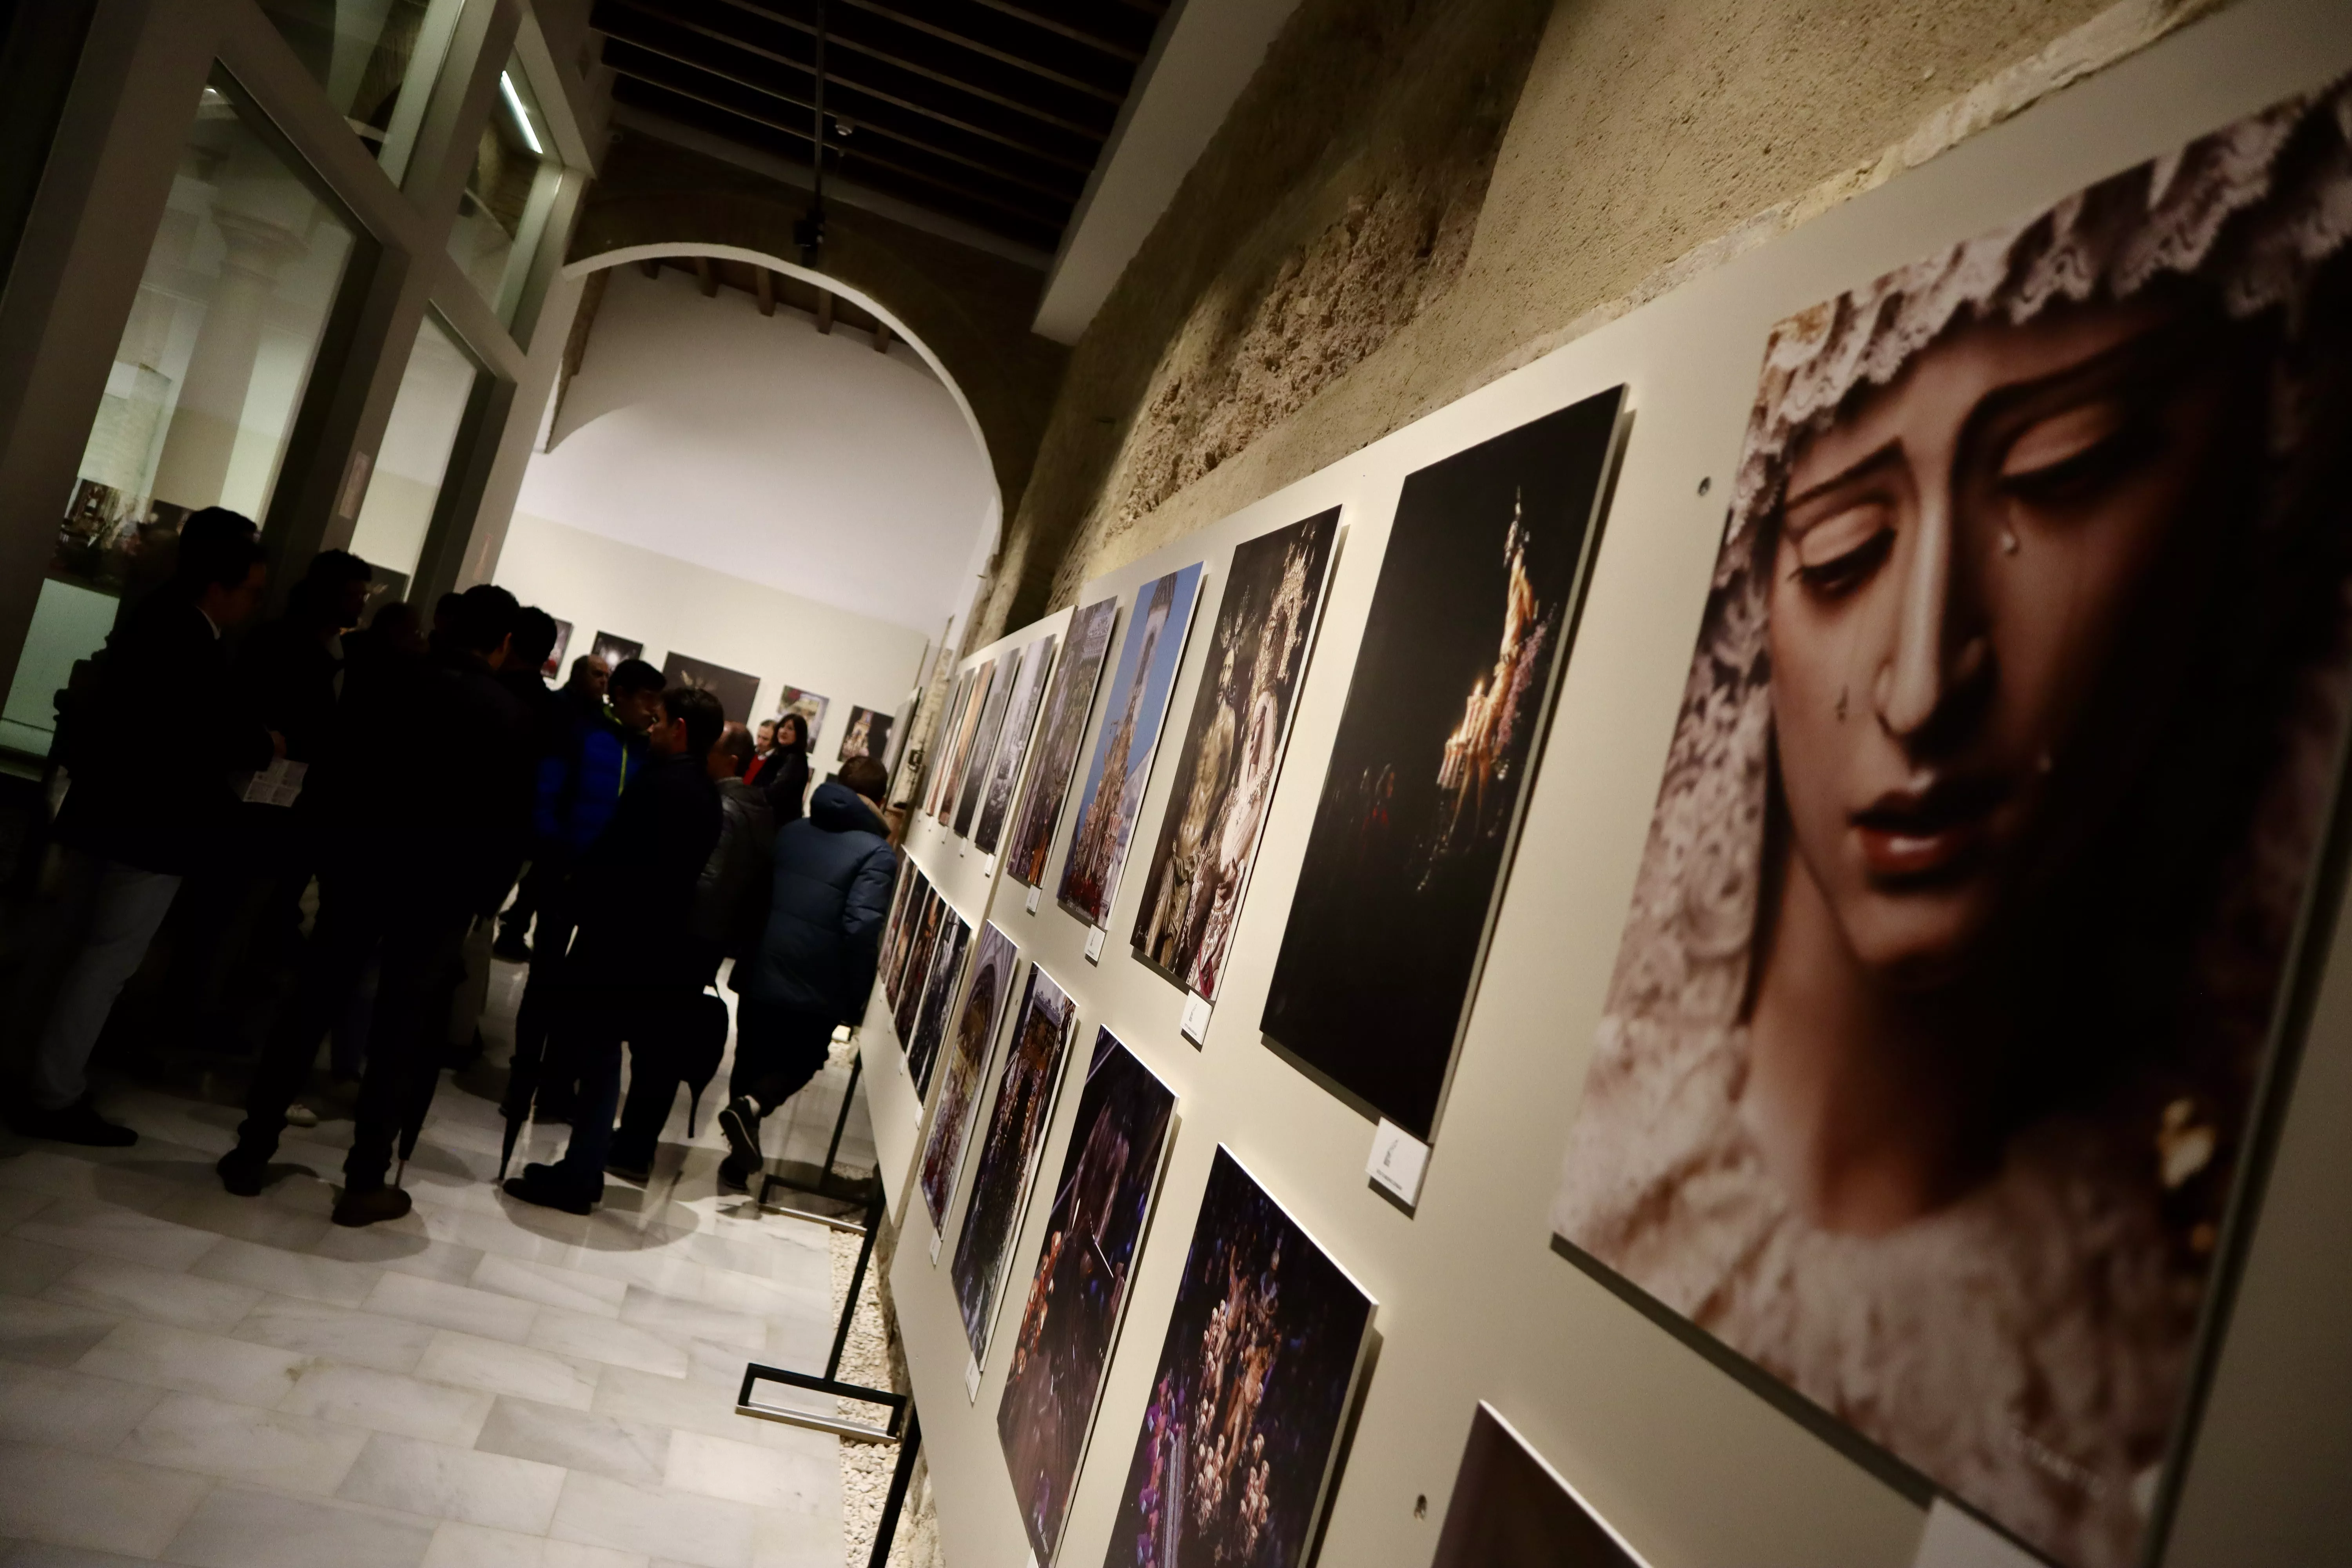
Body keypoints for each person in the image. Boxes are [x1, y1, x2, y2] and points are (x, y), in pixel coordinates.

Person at [1553, 80, 2352, 1568]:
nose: (1923, 683)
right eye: (1846, 548)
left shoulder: (2124, 1347)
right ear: (1752, 605)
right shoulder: (1599, 1138)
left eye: (2063, 473)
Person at [219, 584, 535, 1225]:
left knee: (311, 1005)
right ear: (503, 644)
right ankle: (365, 1179)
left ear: (448, 625)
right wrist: (481, 901)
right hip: (439, 893)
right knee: (401, 1033)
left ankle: (253, 1150)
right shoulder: (507, 714)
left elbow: (336, 773)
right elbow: (509, 825)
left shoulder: (389, 680)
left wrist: (327, 856)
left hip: (360, 870)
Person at [3, 510, 276, 1144]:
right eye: (251, 591)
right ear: (219, 587)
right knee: (106, 960)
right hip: (153, 822)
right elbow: (198, 732)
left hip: (108, 808)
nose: (255, 604)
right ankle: (54, 1089)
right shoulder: (191, 638)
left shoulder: (153, 616)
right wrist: (259, 743)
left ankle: (27, 1068)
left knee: (70, 944)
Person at [506, 684, 724, 1213]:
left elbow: (617, 860)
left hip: (617, 939)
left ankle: (581, 1175)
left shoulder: (663, 785)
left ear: (681, 730)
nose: (650, 727)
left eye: (660, 720)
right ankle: (581, 1167)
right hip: (651, 942)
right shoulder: (706, 794)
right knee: (601, 1055)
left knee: (597, 1054)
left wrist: (572, 898)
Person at [716, 753, 895, 1191]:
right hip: (818, 981)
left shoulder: (793, 831)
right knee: (805, 1058)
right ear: (881, 800)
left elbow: (757, 895)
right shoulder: (877, 853)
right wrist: (857, 993)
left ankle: (737, 1162)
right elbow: (860, 927)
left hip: (763, 964)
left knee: (750, 1056)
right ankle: (753, 1107)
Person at [605, 720, 775, 1181]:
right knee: (662, 1045)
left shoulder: (726, 806)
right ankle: (635, 1141)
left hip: (686, 942)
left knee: (654, 1048)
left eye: (713, 750)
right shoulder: (757, 808)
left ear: (731, 762)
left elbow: (706, 883)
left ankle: (633, 1146)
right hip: (709, 944)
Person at [510, 657, 665, 1118]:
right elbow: (546, 795)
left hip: (609, 891)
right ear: (619, 694)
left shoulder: (648, 752)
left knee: (581, 989)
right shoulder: (579, 733)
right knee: (544, 982)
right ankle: (521, 1082)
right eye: (646, 700)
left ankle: (557, 1085)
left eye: (658, 702)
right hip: (564, 877)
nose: (653, 711)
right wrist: (556, 853)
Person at [495, 649, 608, 962]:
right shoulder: (556, 707)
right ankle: (512, 928)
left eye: (606, 677)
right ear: (578, 674)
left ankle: (514, 928)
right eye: (597, 674)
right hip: (544, 804)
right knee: (531, 875)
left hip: (568, 809)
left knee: (540, 880)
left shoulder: (598, 717)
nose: (603, 682)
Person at [760, 711, 811, 827]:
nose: (783, 731)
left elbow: (776, 791)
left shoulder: (795, 759)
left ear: (799, 734)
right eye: (782, 726)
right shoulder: (779, 755)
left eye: (790, 729)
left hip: (778, 822)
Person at [742, 718, 777, 785]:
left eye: (765, 739)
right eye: (759, 737)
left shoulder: (776, 762)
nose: (760, 742)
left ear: (774, 740)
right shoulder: (749, 752)